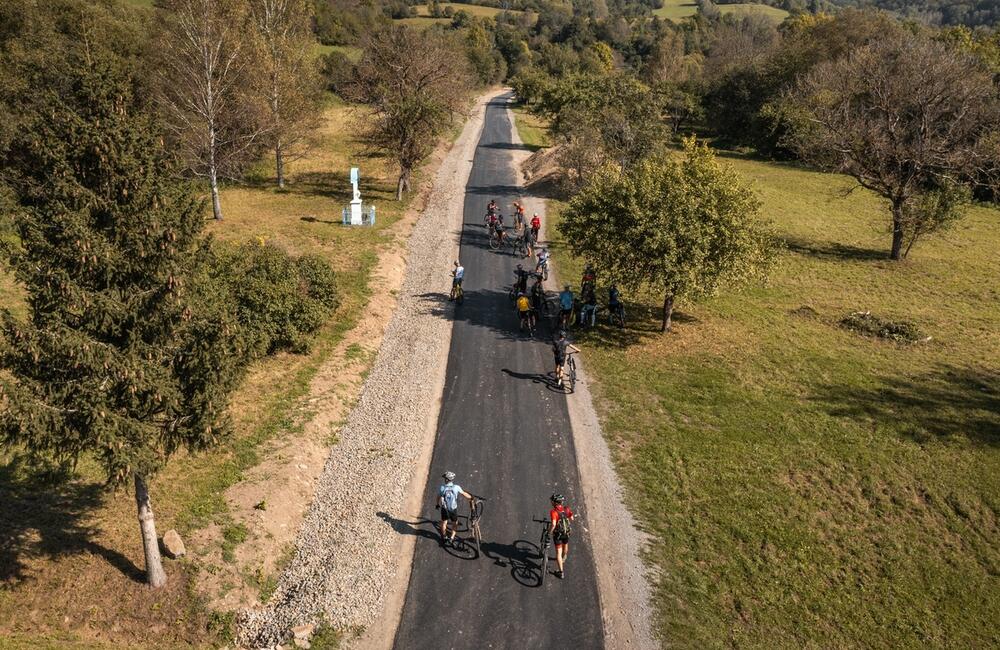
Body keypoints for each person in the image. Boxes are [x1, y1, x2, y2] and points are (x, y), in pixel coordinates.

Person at [437, 471, 474, 546]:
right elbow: (464, 493)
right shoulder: (456, 487)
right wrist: (471, 498)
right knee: (455, 524)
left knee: (444, 523)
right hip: (453, 509)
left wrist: (437, 504)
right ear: (451, 480)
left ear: (446, 480)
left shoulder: (442, 488)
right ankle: (452, 538)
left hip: (445, 509)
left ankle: (444, 537)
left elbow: (438, 497)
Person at [548, 493, 575, 579]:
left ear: (555, 502)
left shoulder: (553, 512)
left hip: (558, 534)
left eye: (552, 501)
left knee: (558, 553)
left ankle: (561, 572)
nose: (551, 502)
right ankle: (564, 557)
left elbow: (553, 524)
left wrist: (550, 532)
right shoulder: (566, 509)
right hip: (566, 532)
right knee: (565, 545)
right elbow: (572, 518)